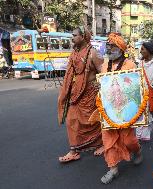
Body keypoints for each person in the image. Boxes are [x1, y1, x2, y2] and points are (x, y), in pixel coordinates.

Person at [94, 33, 143, 184]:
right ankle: (113, 169)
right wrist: (99, 85)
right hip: (108, 109)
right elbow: (103, 84)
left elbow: (134, 87)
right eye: (108, 46)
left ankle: (137, 151)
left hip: (125, 109)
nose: (109, 49)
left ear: (121, 49)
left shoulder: (130, 65)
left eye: (113, 46)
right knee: (108, 140)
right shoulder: (104, 65)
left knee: (128, 140)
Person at [57, 26, 104, 163]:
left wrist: (98, 83)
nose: (72, 38)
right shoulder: (74, 53)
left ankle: (101, 143)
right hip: (76, 93)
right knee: (71, 120)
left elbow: (103, 72)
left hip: (90, 93)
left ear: (83, 37)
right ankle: (74, 151)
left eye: (74, 35)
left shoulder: (93, 53)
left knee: (93, 121)